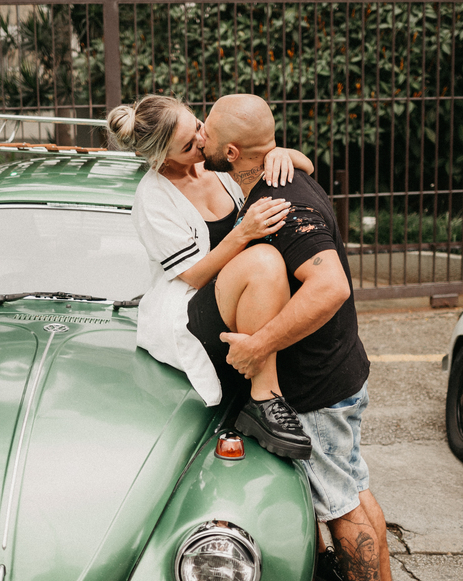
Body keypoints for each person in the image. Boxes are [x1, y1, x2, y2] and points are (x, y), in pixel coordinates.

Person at [200, 94, 409, 581]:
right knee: (354, 486)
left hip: (317, 384)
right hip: (336, 369)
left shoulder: (283, 201)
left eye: (209, 132)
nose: (202, 138)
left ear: (233, 151)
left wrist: (258, 344)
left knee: (338, 501)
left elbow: (329, 287)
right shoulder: (281, 178)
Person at [107, 94, 314, 459]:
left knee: (271, 264)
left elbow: (305, 168)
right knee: (264, 259)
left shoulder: (215, 164)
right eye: (188, 145)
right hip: (192, 310)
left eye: (198, 127)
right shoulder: (152, 198)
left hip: (242, 294)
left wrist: (281, 155)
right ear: (161, 157)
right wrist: (243, 232)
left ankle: (272, 381)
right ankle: (264, 400)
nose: (202, 141)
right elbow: (194, 276)